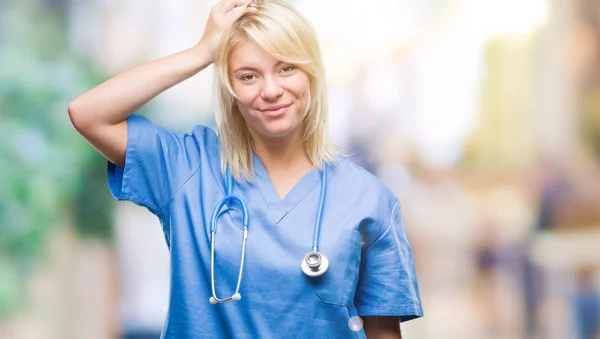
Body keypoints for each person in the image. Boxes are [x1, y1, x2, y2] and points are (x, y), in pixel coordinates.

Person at [68, 0, 423, 337]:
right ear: (230, 88)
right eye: (248, 76)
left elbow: (383, 332)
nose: (271, 90)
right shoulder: (186, 168)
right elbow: (87, 114)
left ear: (311, 73)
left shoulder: (369, 199)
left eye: (287, 68)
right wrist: (202, 52)